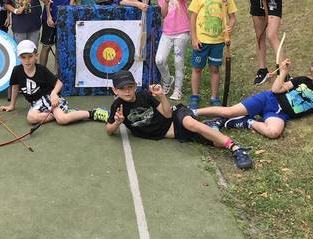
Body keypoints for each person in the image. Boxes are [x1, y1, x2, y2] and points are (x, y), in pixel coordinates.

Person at [104, 70, 253, 170]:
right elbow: (109, 130)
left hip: (176, 117)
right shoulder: (117, 106)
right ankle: (219, 123)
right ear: (115, 90)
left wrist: (162, 96)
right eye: (122, 88)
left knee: (190, 123)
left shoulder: (144, 95)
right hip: (175, 133)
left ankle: (237, 149)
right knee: (215, 142)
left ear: (135, 86)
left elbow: (168, 114)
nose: (127, 91)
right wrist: (117, 122)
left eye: (130, 87)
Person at [196, 57, 313, 139]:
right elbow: (276, 90)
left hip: (280, 114)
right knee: (229, 111)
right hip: (269, 99)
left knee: (274, 132)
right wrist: (283, 73)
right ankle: (194, 112)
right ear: (312, 75)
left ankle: (249, 122)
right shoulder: (302, 80)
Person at [0, 40, 109, 125]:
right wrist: (12, 105)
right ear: (19, 58)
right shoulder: (17, 71)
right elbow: (15, 87)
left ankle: (93, 113)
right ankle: (63, 113)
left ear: (36, 56)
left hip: (49, 99)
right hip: (36, 103)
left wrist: (53, 94)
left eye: (30, 56)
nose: (27, 60)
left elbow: (59, 83)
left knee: (62, 120)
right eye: (23, 57)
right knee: (31, 118)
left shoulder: (41, 70)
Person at [188, 0, 237, 110]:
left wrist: (230, 27)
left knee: (214, 69)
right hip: (201, 41)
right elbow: (193, 17)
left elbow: (232, 17)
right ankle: (195, 96)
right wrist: (194, 38)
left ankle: (214, 97)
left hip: (218, 41)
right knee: (197, 69)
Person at [154, 0, 190, 101]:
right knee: (159, 60)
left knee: (178, 61)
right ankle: (167, 79)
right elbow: (163, 14)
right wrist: (166, 1)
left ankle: (178, 90)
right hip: (167, 32)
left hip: (182, 32)